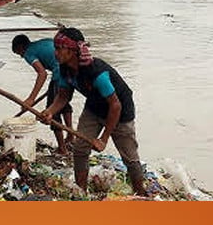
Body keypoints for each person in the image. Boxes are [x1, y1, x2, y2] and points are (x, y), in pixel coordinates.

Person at [41, 27, 147, 197]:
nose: (55, 53)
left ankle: (141, 194)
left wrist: (103, 139)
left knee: (130, 157)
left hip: (120, 112)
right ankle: (81, 192)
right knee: (80, 149)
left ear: (73, 51)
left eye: (60, 49)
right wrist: (50, 111)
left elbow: (115, 106)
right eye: (55, 48)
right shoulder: (64, 69)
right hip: (94, 108)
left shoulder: (97, 72)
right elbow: (63, 96)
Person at [11, 34, 73, 155]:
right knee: (64, 104)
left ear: (20, 48)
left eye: (19, 54)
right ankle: (70, 136)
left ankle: (62, 148)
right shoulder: (42, 43)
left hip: (59, 74)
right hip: (69, 72)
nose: (22, 56)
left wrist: (30, 99)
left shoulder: (29, 53)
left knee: (52, 111)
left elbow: (42, 74)